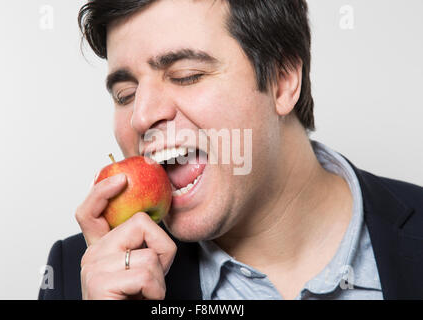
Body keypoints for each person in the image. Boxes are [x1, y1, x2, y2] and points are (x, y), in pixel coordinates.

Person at [39, 0, 423, 300]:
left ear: (283, 80)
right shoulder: (81, 278)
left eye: (186, 75)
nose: (141, 116)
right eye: (125, 94)